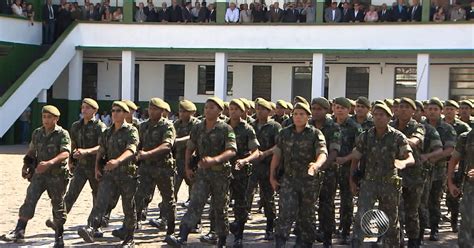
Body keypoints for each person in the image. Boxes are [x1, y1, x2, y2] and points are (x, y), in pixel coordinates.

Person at [165, 97, 237, 247]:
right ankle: (182, 237)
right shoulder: (198, 128)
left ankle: (222, 239)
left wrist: (214, 160)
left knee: (220, 208)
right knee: (195, 203)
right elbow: (190, 148)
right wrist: (187, 167)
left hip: (220, 175)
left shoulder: (226, 129)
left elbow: (231, 151)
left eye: (211, 107)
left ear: (219, 111)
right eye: (206, 107)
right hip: (202, 174)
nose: (208, 110)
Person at [1, 105, 71, 248]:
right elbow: (32, 151)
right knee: (30, 199)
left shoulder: (62, 134)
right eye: (44, 117)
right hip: (39, 175)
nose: (46, 120)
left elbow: (65, 153)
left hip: (57, 176)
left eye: (49, 117)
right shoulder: (37, 133)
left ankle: (59, 236)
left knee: (57, 204)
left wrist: (50, 163)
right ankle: (19, 231)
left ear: (56, 119)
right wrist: (25, 165)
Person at [348, 103, 415, 247]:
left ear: (389, 117)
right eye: (376, 115)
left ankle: (391, 245)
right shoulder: (365, 137)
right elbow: (355, 159)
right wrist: (352, 180)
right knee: (362, 215)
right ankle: (356, 244)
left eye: (382, 115)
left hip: (389, 183)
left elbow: (411, 157)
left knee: (390, 219)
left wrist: (403, 163)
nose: (378, 118)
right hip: (368, 183)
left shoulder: (397, 136)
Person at [77, 101, 139, 247]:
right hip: (109, 174)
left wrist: (118, 161)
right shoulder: (107, 132)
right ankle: (92, 227)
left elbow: (132, 149)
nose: (115, 113)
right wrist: (97, 168)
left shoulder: (131, 130)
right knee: (101, 200)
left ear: (125, 114)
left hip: (127, 174)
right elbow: (101, 150)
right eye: (113, 110)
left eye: (118, 111)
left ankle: (129, 238)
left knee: (128, 207)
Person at [45, 99, 106, 236]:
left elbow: (102, 147)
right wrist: (71, 160)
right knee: (71, 194)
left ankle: (95, 226)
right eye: (83, 107)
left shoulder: (100, 127)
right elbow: (73, 144)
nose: (84, 110)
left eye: (88, 108)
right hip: (81, 166)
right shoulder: (76, 126)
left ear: (95, 111)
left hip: (95, 165)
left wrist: (86, 151)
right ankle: (58, 221)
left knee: (98, 196)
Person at [271, 102, 328, 247]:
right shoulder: (284, 133)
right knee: (285, 211)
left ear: (308, 116)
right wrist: (272, 176)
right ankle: (280, 241)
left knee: (307, 215)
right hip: (289, 180)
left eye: (302, 114)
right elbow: (277, 155)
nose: (298, 117)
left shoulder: (315, 134)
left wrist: (316, 165)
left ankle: (305, 242)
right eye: (295, 114)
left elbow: (322, 153)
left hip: (308, 181)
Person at [133, 98, 177, 240]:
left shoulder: (167, 126)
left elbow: (167, 145)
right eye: (150, 109)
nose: (152, 112)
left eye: (155, 109)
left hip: (163, 168)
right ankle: (130, 227)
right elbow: (138, 144)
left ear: (162, 111)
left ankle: (171, 231)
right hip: (145, 168)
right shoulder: (143, 126)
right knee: (138, 197)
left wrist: (148, 154)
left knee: (168, 200)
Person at [391, 98, 426, 247]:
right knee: (395, 211)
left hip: (414, 176)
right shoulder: (390, 125)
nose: (402, 109)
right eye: (400, 107)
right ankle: (397, 240)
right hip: (394, 175)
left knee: (412, 211)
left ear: (413, 111)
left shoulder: (418, 127)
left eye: (406, 107)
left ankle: (413, 240)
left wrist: (399, 138)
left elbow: (415, 141)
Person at [226, 99, 260, 247]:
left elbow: (256, 152)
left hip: (240, 172)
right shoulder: (222, 126)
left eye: (236, 109)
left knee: (240, 204)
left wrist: (245, 160)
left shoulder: (247, 129)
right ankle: (217, 233)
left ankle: (239, 235)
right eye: (231, 108)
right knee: (219, 202)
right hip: (223, 171)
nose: (233, 111)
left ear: (242, 112)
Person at [246, 99, 281, 240]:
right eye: (257, 108)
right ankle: (240, 223)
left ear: (269, 111)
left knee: (268, 198)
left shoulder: (275, 127)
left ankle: (270, 226)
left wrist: (265, 153)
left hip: (268, 166)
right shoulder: (251, 125)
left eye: (263, 109)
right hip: (253, 166)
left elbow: (279, 146)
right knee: (246, 194)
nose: (259, 111)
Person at [309, 97, 341, 247]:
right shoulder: (307, 125)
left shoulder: (333, 127)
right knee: (307, 206)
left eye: (319, 109)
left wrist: (321, 166)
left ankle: (327, 237)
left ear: (326, 110)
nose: (315, 112)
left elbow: (334, 151)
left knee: (326, 205)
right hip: (308, 172)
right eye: (313, 108)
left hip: (327, 173)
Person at [425, 97, 457, 241]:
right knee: (418, 201)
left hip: (438, 171)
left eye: (435, 109)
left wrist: (433, 158)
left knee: (434, 201)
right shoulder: (419, 126)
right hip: (420, 171)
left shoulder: (447, 128)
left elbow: (450, 149)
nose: (432, 112)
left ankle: (434, 229)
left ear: (441, 111)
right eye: (430, 109)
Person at [333, 97, 363, 245]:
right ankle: (328, 229)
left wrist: (345, 159)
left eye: (343, 108)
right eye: (337, 107)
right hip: (330, 168)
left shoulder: (355, 126)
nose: (339, 110)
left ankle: (345, 230)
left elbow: (359, 148)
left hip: (347, 167)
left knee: (346, 201)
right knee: (326, 199)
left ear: (348, 110)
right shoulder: (329, 124)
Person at [443, 100, 471, 233]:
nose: (449, 111)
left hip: (463, 165)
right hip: (456, 167)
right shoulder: (466, 136)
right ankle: (454, 220)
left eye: (467, 108)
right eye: (446, 108)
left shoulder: (465, 127)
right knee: (453, 196)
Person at [447, 128, 474, 247]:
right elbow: (453, 160)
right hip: (470, 188)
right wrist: (450, 183)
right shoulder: (466, 137)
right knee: (467, 225)